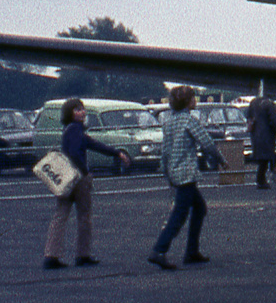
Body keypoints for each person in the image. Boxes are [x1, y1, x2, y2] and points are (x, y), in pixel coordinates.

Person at [43, 97, 130, 269]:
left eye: (82, 109)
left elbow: (94, 144)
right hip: (78, 179)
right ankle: (83, 254)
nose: (82, 112)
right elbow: (78, 152)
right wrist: (85, 172)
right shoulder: (76, 130)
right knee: (84, 216)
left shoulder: (70, 130)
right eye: (76, 110)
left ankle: (51, 255)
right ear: (70, 113)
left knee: (61, 214)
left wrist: (115, 153)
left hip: (65, 178)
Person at [149, 86, 225, 269]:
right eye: (193, 97)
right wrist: (221, 159)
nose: (195, 100)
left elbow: (165, 152)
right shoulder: (190, 121)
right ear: (188, 101)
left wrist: (166, 173)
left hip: (175, 172)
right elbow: (206, 143)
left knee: (199, 208)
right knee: (180, 213)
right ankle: (160, 250)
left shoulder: (169, 122)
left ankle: (192, 251)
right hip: (187, 173)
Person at [246, 93, 276, 189]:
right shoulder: (269, 104)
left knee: (262, 159)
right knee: (266, 159)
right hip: (267, 134)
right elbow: (273, 121)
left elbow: (248, 117)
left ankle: (261, 180)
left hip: (255, 134)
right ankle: (261, 180)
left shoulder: (253, 103)